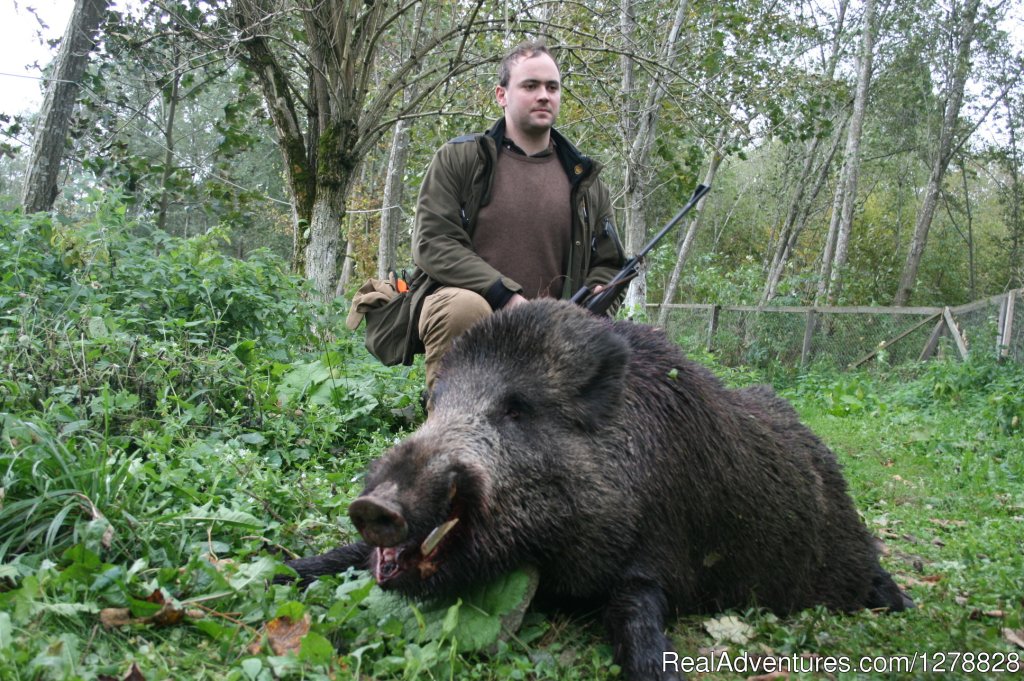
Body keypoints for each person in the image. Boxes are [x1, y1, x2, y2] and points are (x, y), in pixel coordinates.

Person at [412, 40, 625, 390]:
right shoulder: (461, 159)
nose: (544, 95)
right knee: (462, 309)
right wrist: (505, 297)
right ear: (502, 95)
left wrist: (587, 302)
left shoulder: (584, 179)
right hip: (474, 314)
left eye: (552, 87)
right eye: (530, 86)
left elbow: (609, 262)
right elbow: (433, 242)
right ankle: (446, 427)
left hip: (553, 329)